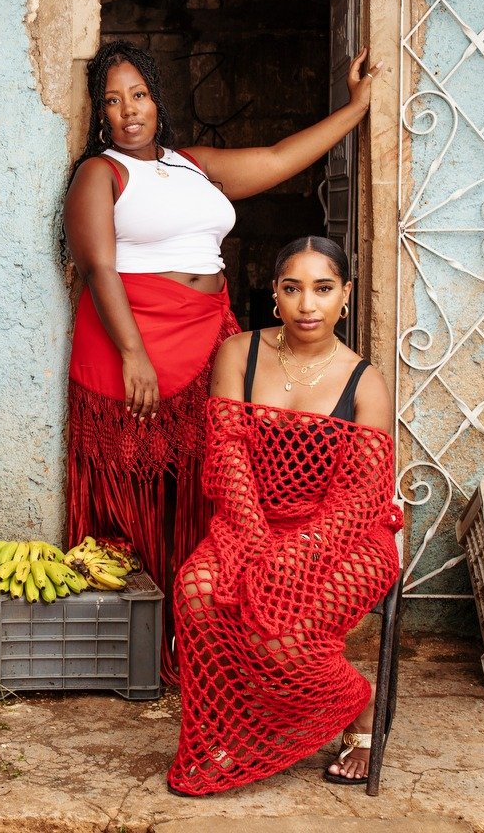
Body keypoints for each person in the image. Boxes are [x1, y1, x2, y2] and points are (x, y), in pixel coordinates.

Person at [63, 40, 382, 683]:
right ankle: (146, 649)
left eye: (140, 96)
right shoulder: (100, 173)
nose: (129, 111)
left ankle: (211, 636)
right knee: (147, 497)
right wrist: (133, 354)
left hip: (208, 333)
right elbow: (99, 265)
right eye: (113, 101)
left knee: (210, 489)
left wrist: (358, 107)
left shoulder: (191, 164)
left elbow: (275, 158)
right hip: (136, 341)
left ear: (158, 101)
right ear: (100, 115)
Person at [167, 236, 402, 796]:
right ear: (275, 293)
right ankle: (221, 736)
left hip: (346, 538)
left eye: (323, 289)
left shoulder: (365, 380)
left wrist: (295, 557)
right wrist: (253, 542)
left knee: (282, 639)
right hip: (250, 521)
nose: (307, 305)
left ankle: (359, 706)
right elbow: (226, 456)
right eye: (293, 289)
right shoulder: (238, 353)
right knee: (197, 593)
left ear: (345, 295)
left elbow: (363, 496)